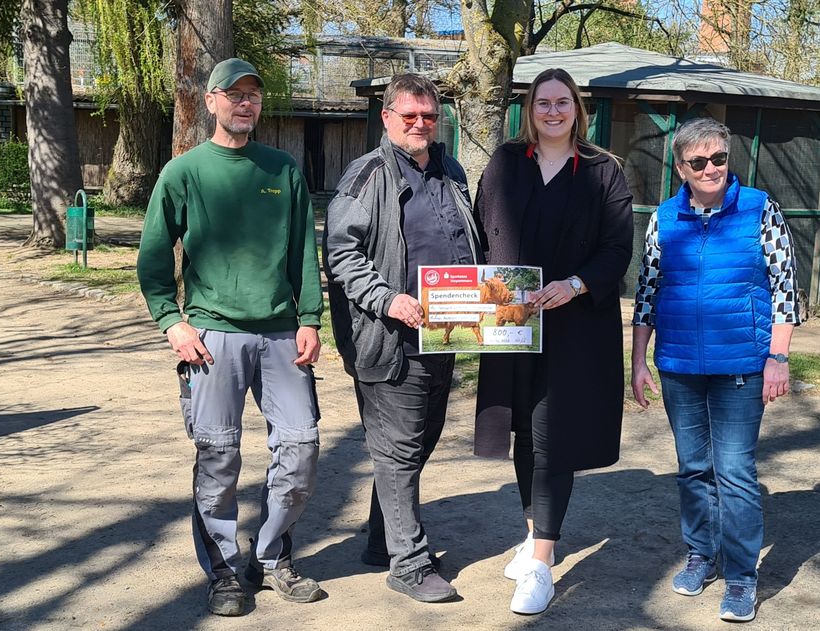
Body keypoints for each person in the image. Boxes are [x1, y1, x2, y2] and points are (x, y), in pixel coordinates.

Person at [136, 57, 327, 617]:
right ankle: (222, 569)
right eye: (235, 94)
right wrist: (171, 321)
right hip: (212, 336)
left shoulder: (282, 170)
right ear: (212, 101)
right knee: (217, 454)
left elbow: (303, 254)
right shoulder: (184, 173)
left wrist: (311, 318)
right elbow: (152, 258)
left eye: (254, 95)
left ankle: (269, 558)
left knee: (301, 447)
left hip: (280, 335)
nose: (247, 103)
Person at [472, 67, 633, 615]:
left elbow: (617, 249)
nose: (553, 111)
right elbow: (479, 233)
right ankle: (531, 533)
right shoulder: (502, 165)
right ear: (529, 108)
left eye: (563, 102)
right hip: (512, 321)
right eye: (543, 102)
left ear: (577, 109)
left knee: (552, 433)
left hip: (574, 327)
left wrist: (576, 285)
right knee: (523, 429)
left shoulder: (603, 171)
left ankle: (542, 562)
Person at [629, 116, 800, 623]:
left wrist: (778, 357)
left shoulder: (759, 209)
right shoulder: (665, 217)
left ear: (730, 159)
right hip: (679, 363)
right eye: (698, 162)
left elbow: (786, 289)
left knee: (735, 471)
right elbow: (647, 292)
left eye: (718, 159)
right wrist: (638, 360)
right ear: (680, 167)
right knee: (692, 467)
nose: (710, 169)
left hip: (742, 366)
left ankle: (743, 576)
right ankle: (701, 553)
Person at [324, 73, 480, 603]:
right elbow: (342, 255)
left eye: (429, 117)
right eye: (408, 115)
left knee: (417, 443)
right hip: (388, 339)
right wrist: (388, 298)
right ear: (387, 117)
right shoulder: (367, 174)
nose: (419, 124)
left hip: (446, 334)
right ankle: (408, 564)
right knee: (398, 448)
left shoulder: (450, 170)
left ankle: (380, 541)